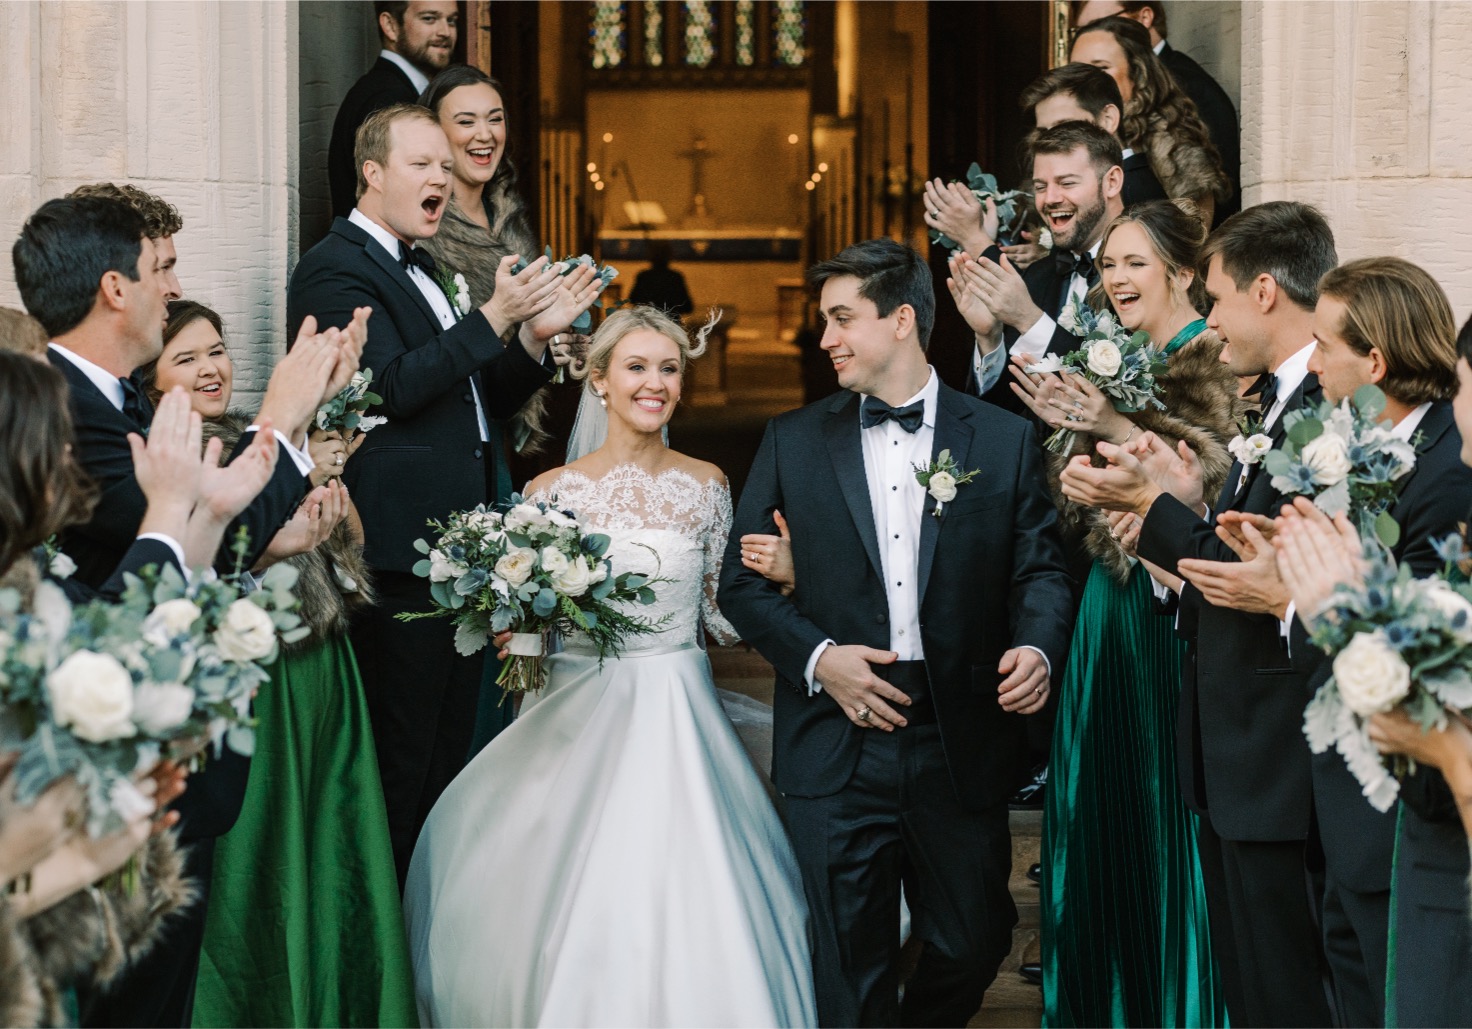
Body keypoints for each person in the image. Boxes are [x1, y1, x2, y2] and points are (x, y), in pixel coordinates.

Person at [403, 306, 816, 1027]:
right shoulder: (550, 494)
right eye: (636, 366)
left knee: (689, 884)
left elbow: (717, 616)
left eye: (669, 369)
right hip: (577, 709)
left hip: (677, 709)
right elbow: (533, 621)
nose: (654, 383)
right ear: (598, 380)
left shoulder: (708, 484)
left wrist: (788, 576)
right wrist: (518, 629)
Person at [11, 190, 365, 1029]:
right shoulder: (59, 409)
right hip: (100, 783)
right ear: (115, 287)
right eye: (158, 269)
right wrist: (281, 419)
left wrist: (265, 521)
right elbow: (176, 536)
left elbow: (204, 534)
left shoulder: (125, 399)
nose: (173, 289)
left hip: (162, 763)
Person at [718, 239, 1074, 1027]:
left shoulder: (1004, 440)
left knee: (976, 936)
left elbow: (1041, 572)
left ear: (903, 319)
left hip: (956, 731)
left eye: (842, 319)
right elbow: (739, 584)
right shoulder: (792, 440)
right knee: (849, 960)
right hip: (836, 734)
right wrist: (821, 659)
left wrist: (1038, 647)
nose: (825, 339)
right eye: (825, 322)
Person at [289, 102, 603, 885]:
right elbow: (386, 386)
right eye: (423, 164)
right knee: (402, 769)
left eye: (445, 163)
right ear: (372, 173)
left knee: (445, 768)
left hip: (453, 552)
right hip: (396, 555)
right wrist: (495, 314)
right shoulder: (335, 267)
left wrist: (530, 337)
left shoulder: (426, 265)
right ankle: (388, 953)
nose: (443, 176)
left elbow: (472, 396)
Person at [1057, 201, 1340, 1028]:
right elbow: (1238, 560)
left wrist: (1158, 507)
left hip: (1276, 757)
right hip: (1236, 756)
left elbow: (1268, 578)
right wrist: (1177, 508)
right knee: (1258, 990)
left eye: (1213, 298)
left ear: (1261, 292)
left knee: (1288, 993)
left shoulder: (1321, 413)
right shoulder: (1277, 408)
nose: (1210, 322)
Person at [968, 200, 1236, 1025]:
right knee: (1097, 807)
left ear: (1182, 273)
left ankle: (1173, 997)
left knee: (1165, 808)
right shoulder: (1118, 354)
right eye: (1110, 265)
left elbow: (1215, 486)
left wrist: (1111, 422)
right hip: (1106, 607)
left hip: (1170, 612)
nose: (1117, 279)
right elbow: (1076, 498)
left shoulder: (1212, 355)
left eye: (1135, 265)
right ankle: (1103, 998)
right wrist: (1068, 436)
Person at [134, 299, 417, 1027]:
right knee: (258, 852)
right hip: (253, 678)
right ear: (151, 377)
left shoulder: (261, 439)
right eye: (187, 357)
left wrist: (331, 496)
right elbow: (203, 569)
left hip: (322, 669)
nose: (210, 368)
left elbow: (350, 550)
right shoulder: (169, 464)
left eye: (217, 350)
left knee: (328, 843)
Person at [0, 349, 281, 1027]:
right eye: (58, 447)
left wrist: (204, 517)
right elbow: (116, 642)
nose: (73, 464)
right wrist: (166, 511)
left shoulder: (35, 590)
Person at [1258, 270, 1472, 1028]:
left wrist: (1290, 600)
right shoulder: (1359, 447)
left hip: (1399, 807)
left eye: (1323, 344)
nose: (1311, 362)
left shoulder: (1446, 477)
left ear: (1374, 362)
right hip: (1342, 803)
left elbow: (1419, 659)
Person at [933, 121, 1125, 418]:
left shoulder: (1145, 265)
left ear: (1111, 182)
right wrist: (990, 338)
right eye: (1040, 187)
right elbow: (1000, 416)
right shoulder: (1038, 275)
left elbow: (1125, 395)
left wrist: (1027, 318)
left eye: (1067, 183)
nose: (1049, 199)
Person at [1072, 0, 1241, 221]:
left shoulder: (1183, 86)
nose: (1093, 35)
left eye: (1103, 23)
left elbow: (1198, 213)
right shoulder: (1087, 120)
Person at [329, 1, 459, 219]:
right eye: (429, 18)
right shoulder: (388, 99)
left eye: (451, 20)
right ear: (389, 25)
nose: (445, 32)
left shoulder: (392, 90)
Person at [1019, 62, 1170, 209]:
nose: (1051, 141)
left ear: (1108, 119)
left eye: (1065, 127)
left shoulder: (1135, 192)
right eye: (1044, 133)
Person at [629, 240, 695, 316]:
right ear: (669, 256)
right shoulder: (675, 277)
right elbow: (688, 307)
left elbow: (633, 300)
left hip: (648, 320)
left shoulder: (644, 276)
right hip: (670, 322)